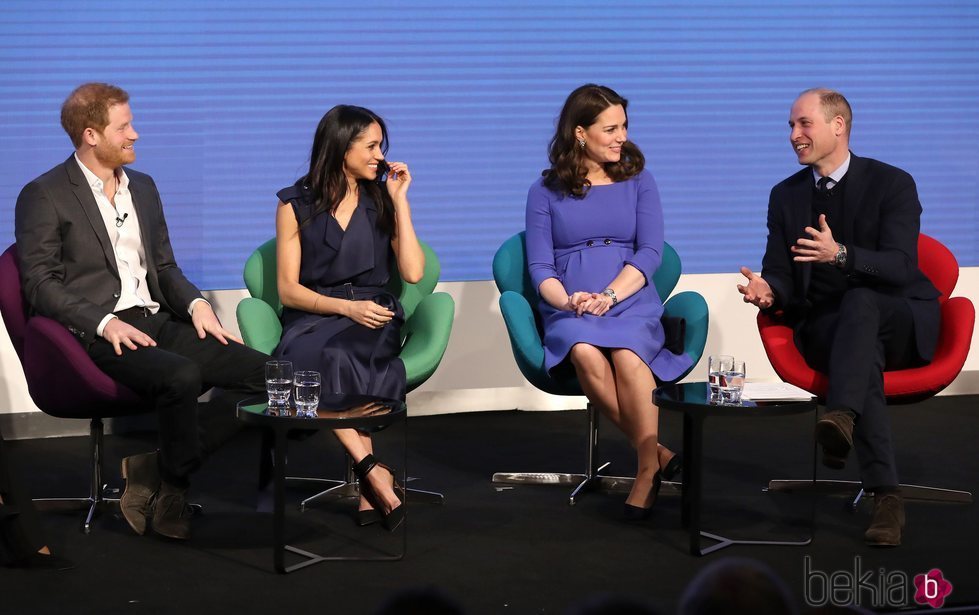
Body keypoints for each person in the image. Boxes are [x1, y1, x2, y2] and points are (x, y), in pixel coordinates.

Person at [14, 83, 268, 541]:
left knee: (270, 377)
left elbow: (165, 267)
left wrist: (195, 305)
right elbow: (38, 285)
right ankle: (174, 489)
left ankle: (159, 469)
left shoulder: (144, 188)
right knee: (182, 377)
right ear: (91, 134)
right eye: (124, 126)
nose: (136, 134)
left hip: (155, 319)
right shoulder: (44, 194)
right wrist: (103, 321)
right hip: (96, 332)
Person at [737, 88, 940, 546]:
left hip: (899, 319)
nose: (794, 135)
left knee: (862, 304)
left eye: (804, 124)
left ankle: (842, 417)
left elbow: (902, 267)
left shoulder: (892, 183)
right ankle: (885, 494)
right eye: (791, 126)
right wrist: (769, 291)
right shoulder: (785, 196)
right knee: (858, 346)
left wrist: (841, 255)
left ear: (838, 125)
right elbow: (781, 270)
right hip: (827, 328)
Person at [525, 84, 690, 520]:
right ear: (580, 133)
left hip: (629, 297)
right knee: (583, 351)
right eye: (611, 128)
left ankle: (645, 469)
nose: (622, 137)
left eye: (624, 126)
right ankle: (657, 453)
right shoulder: (544, 191)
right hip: (572, 303)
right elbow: (541, 268)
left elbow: (651, 252)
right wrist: (570, 300)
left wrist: (611, 294)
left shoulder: (639, 180)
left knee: (628, 354)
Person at [273, 105, 424, 532]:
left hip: (373, 312)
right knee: (300, 358)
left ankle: (370, 480)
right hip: (315, 311)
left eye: (381, 146)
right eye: (371, 146)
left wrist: (400, 202)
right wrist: (343, 307)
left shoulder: (381, 198)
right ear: (342, 146)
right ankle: (372, 471)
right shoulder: (294, 203)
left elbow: (412, 271)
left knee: (339, 354)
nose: (380, 155)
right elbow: (288, 289)